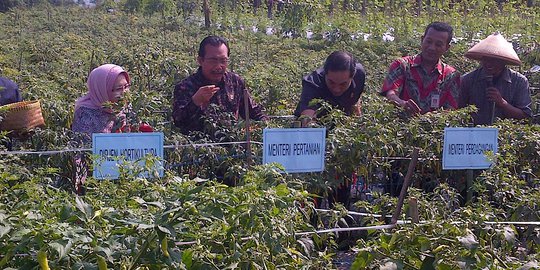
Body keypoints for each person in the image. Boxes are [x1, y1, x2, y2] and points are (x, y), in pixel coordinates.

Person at [71, 64, 152, 194]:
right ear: (102, 89)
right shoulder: (85, 114)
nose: (125, 92)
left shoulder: (124, 108)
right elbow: (84, 154)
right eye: (119, 88)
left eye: (127, 86)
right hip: (96, 183)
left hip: (125, 178)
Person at [172, 35, 268, 134]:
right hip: (197, 147)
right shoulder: (185, 86)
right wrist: (195, 102)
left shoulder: (235, 82)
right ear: (200, 60)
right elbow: (178, 122)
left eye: (223, 61)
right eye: (213, 61)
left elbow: (254, 112)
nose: (218, 66)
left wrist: (266, 128)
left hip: (233, 145)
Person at [380, 22, 460, 115]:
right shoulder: (402, 65)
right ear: (422, 40)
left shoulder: (451, 75)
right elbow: (390, 94)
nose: (432, 48)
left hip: (436, 127)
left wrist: (432, 118)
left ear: (447, 48)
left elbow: (451, 111)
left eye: (438, 44)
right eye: (428, 42)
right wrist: (402, 104)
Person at [459, 33, 532, 125]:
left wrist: (502, 103)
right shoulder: (468, 80)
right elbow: (458, 111)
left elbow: (525, 116)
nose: (489, 64)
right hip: (474, 134)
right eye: (486, 59)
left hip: (506, 136)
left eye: (494, 60)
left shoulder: (519, 81)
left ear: (504, 61)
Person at [294, 51, 366, 122]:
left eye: (343, 84)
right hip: (318, 125)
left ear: (352, 77)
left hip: (342, 122)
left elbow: (355, 100)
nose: (336, 89)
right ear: (325, 73)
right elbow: (308, 120)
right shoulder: (312, 83)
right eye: (331, 82)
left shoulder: (359, 75)